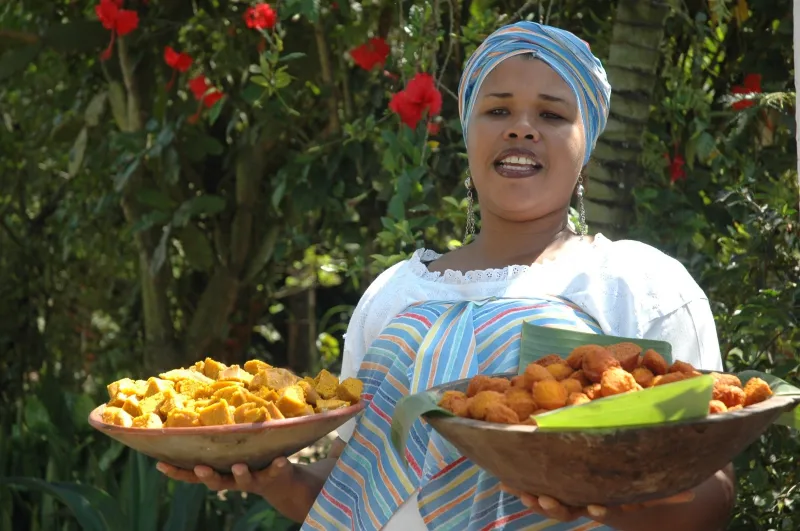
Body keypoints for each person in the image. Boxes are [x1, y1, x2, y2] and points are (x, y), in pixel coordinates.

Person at [157, 21, 736, 531]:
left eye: (554, 114)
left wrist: (606, 502)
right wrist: (268, 477)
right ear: (468, 132)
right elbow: (354, 493)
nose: (522, 128)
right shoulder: (396, 293)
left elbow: (713, 494)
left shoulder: (639, 284)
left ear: (586, 147)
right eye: (498, 109)